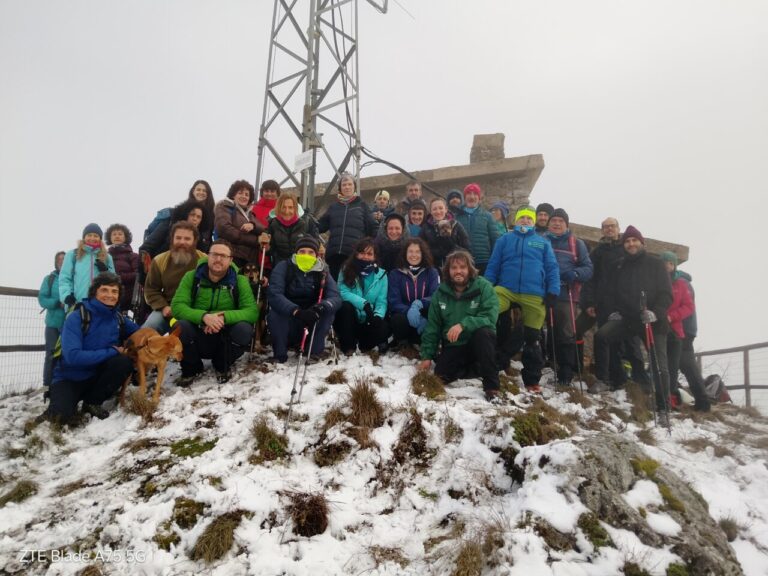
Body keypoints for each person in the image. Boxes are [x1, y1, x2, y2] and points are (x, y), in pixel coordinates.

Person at [593, 226, 673, 423]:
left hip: (652, 321)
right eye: (627, 241)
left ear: (641, 242)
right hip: (627, 319)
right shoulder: (620, 266)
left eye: (634, 240)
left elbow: (666, 294)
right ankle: (603, 379)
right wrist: (615, 311)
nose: (630, 244)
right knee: (602, 336)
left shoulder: (655, 264)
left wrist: (656, 313)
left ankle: (664, 408)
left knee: (659, 365)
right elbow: (612, 292)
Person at [44, 272, 139, 424]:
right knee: (59, 418)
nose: (110, 295)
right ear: (95, 292)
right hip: (70, 377)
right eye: (105, 290)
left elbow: (141, 333)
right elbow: (73, 357)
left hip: (97, 377)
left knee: (122, 362)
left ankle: (92, 402)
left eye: (115, 291)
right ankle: (57, 408)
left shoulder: (118, 318)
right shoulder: (77, 317)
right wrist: (112, 351)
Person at [485, 205, 560, 392]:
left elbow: (552, 268)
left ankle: (532, 380)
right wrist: (486, 286)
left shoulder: (542, 242)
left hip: (533, 293)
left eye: (529, 219)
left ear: (533, 222)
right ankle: (487, 361)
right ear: (515, 221)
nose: (525, 221)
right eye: (522, 218)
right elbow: (494, 264)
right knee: (487, 313)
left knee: (533, 337)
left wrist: (553, 291)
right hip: (506, 289)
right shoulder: (505, 239)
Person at [171, 239, 258, 384]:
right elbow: (177, 306)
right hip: (198, 332)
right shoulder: (191, 277)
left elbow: (252, 312)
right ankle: (192, 368)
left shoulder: (240, 280)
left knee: (244, 329)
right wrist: (204, 317)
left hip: (224, 335)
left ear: (230, 260)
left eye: (223, 256)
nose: (218, 259)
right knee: (180, 327)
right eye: (214, 254)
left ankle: (221, 365)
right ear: (208, 256)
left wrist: (223, 317)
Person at [417, 250, 500, 401]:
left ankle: (491, 387)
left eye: (462, 267)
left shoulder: (484, 287)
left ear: (469, 269)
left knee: (484, 334)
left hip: (478, 342)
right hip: (454, 344)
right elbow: (433, 327)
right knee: (440, 375)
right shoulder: (440, 293)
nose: (458, 271)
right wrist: (427, 356)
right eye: (454, 268)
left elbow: (489, 317)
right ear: (448, 271)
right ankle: (480, 367)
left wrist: (463, 324)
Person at [577, 217, 639, 389]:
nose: (609, 229)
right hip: (604, 304)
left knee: (629, 344)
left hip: (626, 305)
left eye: (612, 226)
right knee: (604, 340)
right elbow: (590, 279)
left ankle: (632, 381)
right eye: (605, 227)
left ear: (618, 228)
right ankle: (607, 379)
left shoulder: (626, 249)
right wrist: (588, 303)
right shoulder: (598, 253)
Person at [267, 236, 341, 363]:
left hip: (313, 317)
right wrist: (296, 310)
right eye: (302, 251)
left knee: (328, 313)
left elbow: (335, 297)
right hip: (290, 317)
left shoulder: (323, 271)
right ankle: (280, 354)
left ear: (316, 254)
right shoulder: (284, 267)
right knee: (275, 313)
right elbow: (274, 294)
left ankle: (314, 352)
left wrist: (321, 307)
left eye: (311, 252)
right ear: (296, 253)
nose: (306, 255)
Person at [546, 208, 593, 386]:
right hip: (544, 293)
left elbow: (588, 268)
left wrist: (575, 273)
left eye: (560, 221)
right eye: (554, 220)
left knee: (566, 332)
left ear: (566, 224)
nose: (556, 223)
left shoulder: (576, 244)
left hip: (567, 294)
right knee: (543, 329)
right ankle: (550, 363)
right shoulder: (541, 241)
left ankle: (566, 371)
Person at [661, 251, 710, 411]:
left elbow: (689, 307)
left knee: (686, 364)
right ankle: (683, 399)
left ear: (673, 264)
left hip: (685, 330)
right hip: (672, 329)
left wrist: (672, 317)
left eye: (668, 263)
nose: (665, 266)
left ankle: (703, 403)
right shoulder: (662, 282)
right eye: (662, 263)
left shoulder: (683, 283)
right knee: (675, 364)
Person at [143, 221, 206, 334]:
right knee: (149, 328)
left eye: (187, 239)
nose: (182, 242)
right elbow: (151, 290)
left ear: (194, 241)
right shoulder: (159, 260)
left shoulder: (204, 261)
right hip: (168, 309)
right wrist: (163, 307)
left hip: (196, 310)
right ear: (172, 239)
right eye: (178, 238)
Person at [334, 238, 390, 354]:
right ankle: (348, 346)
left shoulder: (381, 275)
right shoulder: (346, 269)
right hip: (350, 318)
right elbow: (342, 292)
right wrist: (364, 304)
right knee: (345, 307)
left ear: (375, 257)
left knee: (383, 325)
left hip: (368, 318)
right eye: (362, 253)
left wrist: (378, 316)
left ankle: (366, 344)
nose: (365, 256)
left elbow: (381, 301)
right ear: (356, 254)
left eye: (369, 254)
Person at [317, 172, 378, 279]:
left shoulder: (362, 206)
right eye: (344, 185)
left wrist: (368, 249)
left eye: (350, 184)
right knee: (335, 289)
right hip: (334, 256)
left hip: (353, 255)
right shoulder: (333, 207)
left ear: (354, 187)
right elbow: (319, 226)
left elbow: (373, 228)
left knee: (351, 287)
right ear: (340, 188)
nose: (347, 187)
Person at [387, 238, 440, 347]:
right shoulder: (395, 274)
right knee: (398, 319)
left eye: (417, 251)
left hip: (424, 314)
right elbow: (393, 300)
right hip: (404, 315)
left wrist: (418, 304)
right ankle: (403, 341)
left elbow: (436, 295)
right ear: (405, 254)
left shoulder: (432, 272)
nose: (414, 255)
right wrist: (409, 310)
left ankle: (420, 340)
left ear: (423, 253)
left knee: (434, 318)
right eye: (410, 251)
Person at [143, 180, 215, 254]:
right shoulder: (171, 219)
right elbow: (148, 246)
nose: (195, 218)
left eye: (198, 217)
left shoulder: (209, 222)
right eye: (198, 189)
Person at [59, 223, 116, 308]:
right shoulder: (73, 254)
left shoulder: (107, 257)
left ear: (100, 238)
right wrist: (66, 295)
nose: (92, 238)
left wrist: (105, 272)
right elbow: (64, 278)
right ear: (84, 237)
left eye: (96, 236)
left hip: (101, 305)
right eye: (89, 235)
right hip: (77, 303)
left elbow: (114, 282)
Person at [139, 199, 210, 264]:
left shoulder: (201, 239)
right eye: (192, 215)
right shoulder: (168, 225)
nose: (195, 219)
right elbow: (146, 247)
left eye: (198, 217)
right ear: (185, 214)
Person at [214, 180, 265, 269]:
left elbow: (264, 229)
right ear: (233, 195)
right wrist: (256, 241)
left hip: (250, 261)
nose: (244, 196)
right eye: (240, 193)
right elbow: (224, 229)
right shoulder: (225, 206)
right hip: (232, 257)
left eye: (247, 194)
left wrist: (253, 225)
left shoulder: (250, 214)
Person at [263, 192, 319, 270]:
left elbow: (316, 244)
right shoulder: (273, 224)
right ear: (279, 208)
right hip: (280, 266)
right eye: (283, 207)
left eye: (290, 207)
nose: (287, 211)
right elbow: (269, 250)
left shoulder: (306, 223)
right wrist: (266, 247)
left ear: (295, 208)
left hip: (302, 266)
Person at [454, 183, 500, 274]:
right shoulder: (456, 217)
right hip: (463, 262)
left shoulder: (488, 216)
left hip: (484, 262)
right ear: (464, 197)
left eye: (475, 194)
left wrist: (494, 261)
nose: (472, 197)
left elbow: (495, 239)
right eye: (469, 193)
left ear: (479, 198)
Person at [38, 251, 66, 393]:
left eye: (64, 259)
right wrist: (56, 302)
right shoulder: (49, 279)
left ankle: (62, 384)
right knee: (50, 354)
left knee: (66, 354)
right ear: (55, 262)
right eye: (59, 259)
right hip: (53, 324)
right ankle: (48, 384)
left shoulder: (73, 278)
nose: (61, 261)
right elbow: (42, 299)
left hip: (69, 324)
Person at [419, 197, 470, 269]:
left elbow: (466, 248)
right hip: (433, 267)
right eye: (434, 209)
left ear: (446, 209)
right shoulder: (425, 228)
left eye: (440, 208)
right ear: (430, 211)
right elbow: (421, 249)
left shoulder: (456, 225)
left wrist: (452, 246)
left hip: (455, 266)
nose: (438, 211)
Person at [105, 223, 139, 313]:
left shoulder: (133, 256)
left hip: (129, 297)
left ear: (125, 237)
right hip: (109, 295)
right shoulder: (104, 257)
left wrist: (118, 277)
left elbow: (138, 274)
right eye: (114, 234)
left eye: (120, 234)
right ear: (110, 238)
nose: (117, 236)